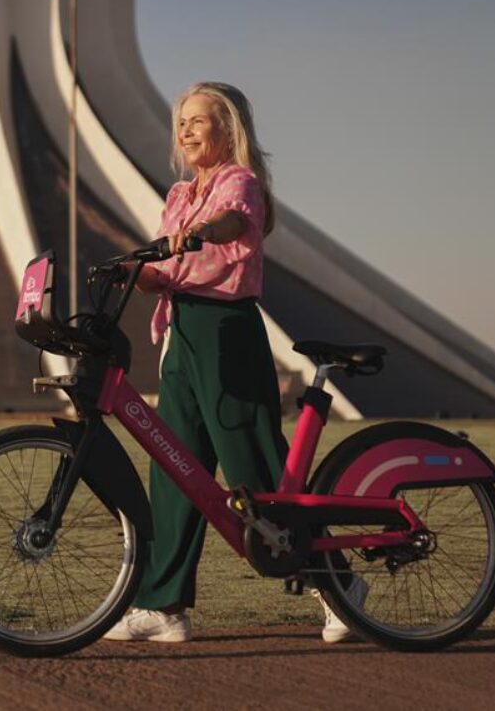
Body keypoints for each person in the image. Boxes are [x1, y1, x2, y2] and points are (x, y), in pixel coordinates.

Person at [104, 82, 361, 643]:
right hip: (183, 333)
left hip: (226, 332)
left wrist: (200, 233)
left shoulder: (238, 183)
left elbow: (233, 224)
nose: (186, 130)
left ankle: (338, 588)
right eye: (181, 123)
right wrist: (132, 269)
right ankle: (163, 604)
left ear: (229, 129)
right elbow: (165, 270)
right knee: (174, 466)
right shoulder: (178, 194)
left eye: (199, 120)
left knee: (254, 469)